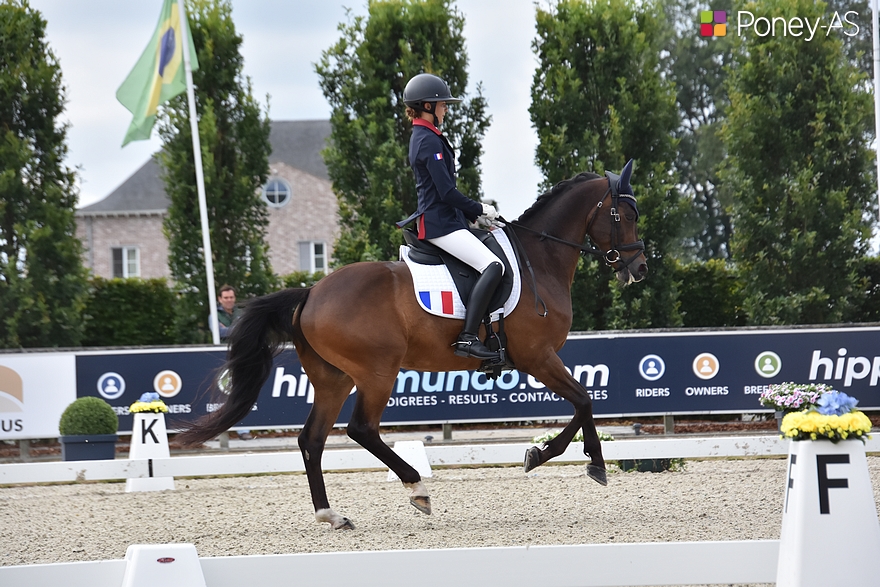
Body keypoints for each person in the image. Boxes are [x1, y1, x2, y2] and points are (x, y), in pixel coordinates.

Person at [398, 72, 504, 361]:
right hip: (440, 225)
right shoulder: (427, 141)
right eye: (443, 104)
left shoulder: (427, 136)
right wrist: (479, 208)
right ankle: (468, 337)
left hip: (449, 220)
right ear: (427, 106)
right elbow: (446, 192)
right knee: (493, 266)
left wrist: (472, 217)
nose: (446, 109)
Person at [210, 285, 251, 439]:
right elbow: (219, 332)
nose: (229, 300)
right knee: (220, 395)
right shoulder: (214, 314)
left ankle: (243, 429)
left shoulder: (241, 313)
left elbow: (248, 330)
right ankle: (217, 429)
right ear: (220, 299)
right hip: (221, 357)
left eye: (231, 297)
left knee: (242, 392)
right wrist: (238, 329)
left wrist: (231, 329)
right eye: (226, 298)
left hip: (241, 354)